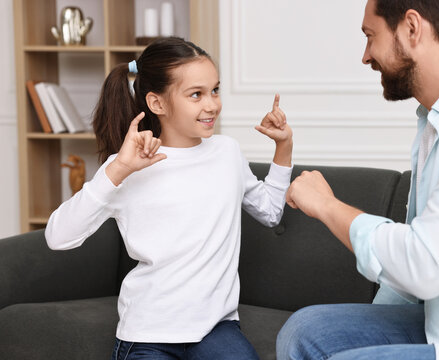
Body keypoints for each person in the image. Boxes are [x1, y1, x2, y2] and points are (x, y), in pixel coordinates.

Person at [277, 0, 439, 359]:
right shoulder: (437, 118)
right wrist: (374, 325)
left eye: (371, 36)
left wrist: (326, 205)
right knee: (306, 332)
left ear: (412, 28)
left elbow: (424, 264)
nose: (366, 56)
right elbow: (412, 274)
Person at [45, 37, 293, 360]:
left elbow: (271, 212)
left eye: (215, 90)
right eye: (196, 95)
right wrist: (118, 169)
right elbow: (57, 236)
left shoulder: (227, 153)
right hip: (147, 334)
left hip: (215, 329)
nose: (212, 105)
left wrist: (284, 147)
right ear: (157, 103)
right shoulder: (128, 165)